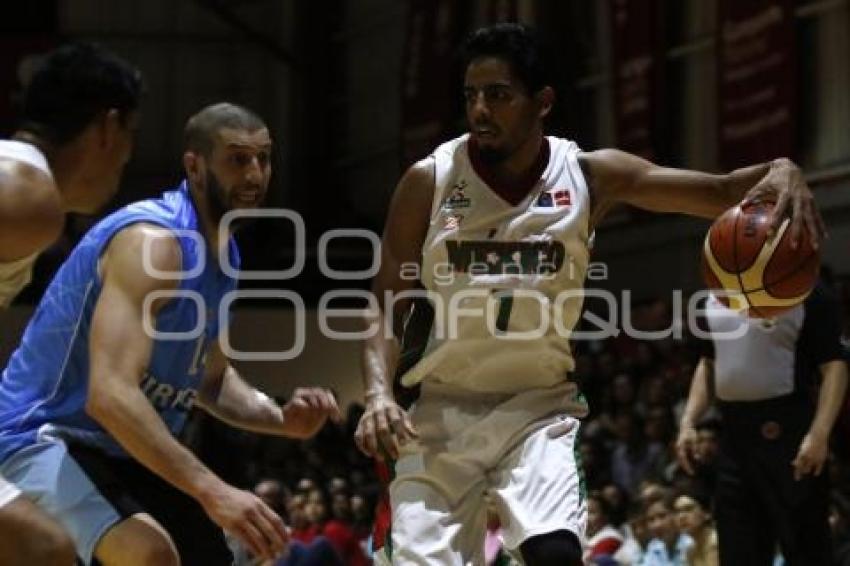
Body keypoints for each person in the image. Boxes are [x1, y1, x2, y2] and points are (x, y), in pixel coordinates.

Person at [354, 22, 824, 566]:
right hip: (435, 413)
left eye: (499, 95)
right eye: (471, 95)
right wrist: (378, 396)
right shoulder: (430, 181)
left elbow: (718, 192)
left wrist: (783, 169)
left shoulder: (587, 176)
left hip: (536, 410)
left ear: (543, 102)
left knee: (556, 556)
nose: (480, 110)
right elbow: (385, 301)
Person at [0, 102, 341, 565]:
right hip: (40, 437)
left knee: (227, 553)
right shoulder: (154, 242)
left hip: (116, 453)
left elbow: (210, 379)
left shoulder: (226, 255)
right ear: (195, 167)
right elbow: (110, 394)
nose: (256, 174)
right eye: (238, 159)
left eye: (264, 158)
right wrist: (214, 490)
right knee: (149, 555)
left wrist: (280, 418)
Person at [0, 42, 143, 565]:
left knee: (41, 549)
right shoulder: (25, 193)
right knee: (40, 548)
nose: (126, 160)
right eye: (130, 138)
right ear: (109, 129)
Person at [676, 282, 848, 565]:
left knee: (806, 549)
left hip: (790, 431)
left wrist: (819, 433)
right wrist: (688, 422)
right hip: (733, 435)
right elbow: (708, 363)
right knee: (738, 550)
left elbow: (835, 366)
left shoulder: (807, 292)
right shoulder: (712, 298)